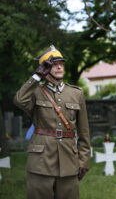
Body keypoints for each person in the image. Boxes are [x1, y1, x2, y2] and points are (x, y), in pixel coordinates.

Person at [14, 45, 91, 199]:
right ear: (44, 69)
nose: (59, 66)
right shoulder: (35, 92)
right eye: (53, 64)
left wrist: (83, 161)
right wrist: (36, 77)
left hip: (69, 161)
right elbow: (19, 100)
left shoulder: (76, 93)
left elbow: (84, 132)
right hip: (41, 162)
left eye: (61, 63)